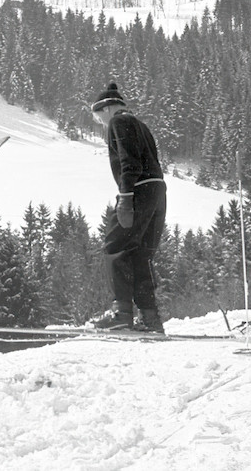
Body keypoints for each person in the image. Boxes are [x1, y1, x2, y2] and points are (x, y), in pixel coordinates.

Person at [85, 83, 167, 333]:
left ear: (107, 108)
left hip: (139, 189)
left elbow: (128, 161)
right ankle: (150, 317)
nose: (100, 123)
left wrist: (125, 196)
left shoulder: (118, 123)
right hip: (158, 190)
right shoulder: (140, 124)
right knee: (141, 253)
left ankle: (121, 313)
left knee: (116, 247)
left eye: (99, 117)